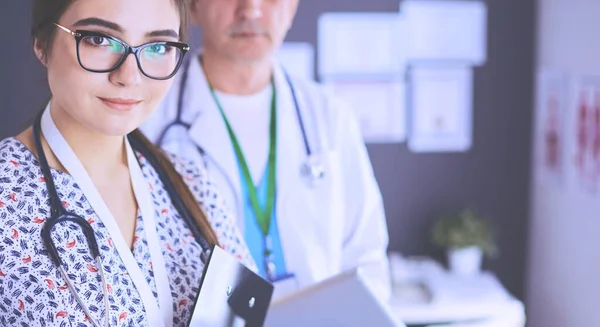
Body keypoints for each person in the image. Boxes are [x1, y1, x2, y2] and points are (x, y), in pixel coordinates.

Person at [0, 0, 256, 326]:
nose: (129, 76)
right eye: (99, 39)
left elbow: (252, 316)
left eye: (158, 46)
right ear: (42, 42)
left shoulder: (193, 187)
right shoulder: (7, 195)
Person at [141, 0, 392, 301]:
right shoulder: (147, 121)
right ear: (193, 9)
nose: (251, 9)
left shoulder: (329, 118)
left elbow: (366, 259)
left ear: (292, 9)